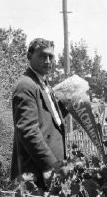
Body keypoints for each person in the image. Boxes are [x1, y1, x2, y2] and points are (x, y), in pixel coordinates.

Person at [10, 38, 68, 190]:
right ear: (29, 56)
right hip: (36, 173)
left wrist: (70, 103)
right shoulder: (26, 85)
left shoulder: (43, 83)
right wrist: (52, 165)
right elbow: (28, 130)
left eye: (51, 57)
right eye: (43, 56)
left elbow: (49, 119)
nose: (48, 61)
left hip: (47, 172)